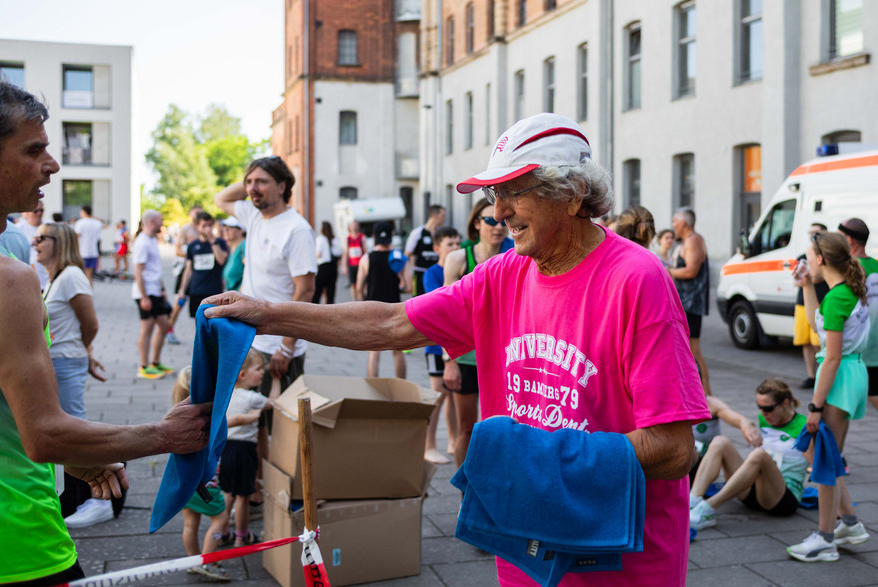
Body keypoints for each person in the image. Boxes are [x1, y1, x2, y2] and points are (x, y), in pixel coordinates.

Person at [204, 112, 709, 586]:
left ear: (574, 195)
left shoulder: (637, 279)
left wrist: (528, 456)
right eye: (495, 193)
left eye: (516, 191)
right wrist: (266, 314)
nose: (498, 211)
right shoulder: (503, 274)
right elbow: (393, 321)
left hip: (620, 563)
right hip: (524, 546)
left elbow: (673, 449)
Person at [0, 77, 211, 586]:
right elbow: (45, 433)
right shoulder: (9, 280)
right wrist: (164, 433)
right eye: (34, 150)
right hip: (18, 542)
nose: (52, 164)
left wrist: (78, 451)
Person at [788, 231, 871, 562]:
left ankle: (825, 538)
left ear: (821, 259)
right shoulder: (847, 290)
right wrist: (807, 285)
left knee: (822, 458)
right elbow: (816, 325)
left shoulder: (838, 297)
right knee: (826, 455)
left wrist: (815, 406)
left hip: (839, 377)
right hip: (851, 374)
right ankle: (849, 523)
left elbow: (831, 356)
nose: (807, 261)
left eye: (810, 256)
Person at [214, 155, 317, 394]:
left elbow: (306, 290)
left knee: (280, 423)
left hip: (278, 345)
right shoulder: (253, 215)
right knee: (252, 419)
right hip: (248, 338)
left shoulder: (297, 229)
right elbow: (221, 198)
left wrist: (287, 347)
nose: (252, 188)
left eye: (261, 182)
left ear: (282, 187)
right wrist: (255, 175)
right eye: (248, 182)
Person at [34, 222, 113, 526]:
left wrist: (83, 351)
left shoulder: (71, 276)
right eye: (36, 237)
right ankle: (79, 498)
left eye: (42, 238)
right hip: (60, 360)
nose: (36, 242)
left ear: (60, 242)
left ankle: (99, 500)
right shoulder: (53, 278)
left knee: (76, 428)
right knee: (67, 428)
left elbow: (90, 323)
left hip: (66, 360)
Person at [689, 378, 808, 531]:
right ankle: (692, 501)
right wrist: (747, 425)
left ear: (785, 403)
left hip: (782, 498)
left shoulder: (804, 426)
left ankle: (707, 509)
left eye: (768, 408)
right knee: (720, 442)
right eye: (760, 407)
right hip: (755, 491)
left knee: (759, 455)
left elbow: (825, 465)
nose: (763, 413)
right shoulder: (764, 418)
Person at [442, 197, 508, 468]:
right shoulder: (459, 259)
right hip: (467, 359)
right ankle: (465, 499)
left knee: (501, 432)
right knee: (466, 431)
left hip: (503, 359)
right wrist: (450, 362)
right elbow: (446, 315)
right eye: (490, 220)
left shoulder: (516, 256)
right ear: (476, 224)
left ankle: (493, 494)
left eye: (503, 220)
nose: (498, 226)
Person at [171, 367, 232, 582]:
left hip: (186, 482)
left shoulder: (176, 420)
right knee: (221, 519)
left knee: (190, 523)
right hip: (206, 484)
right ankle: (209, 562)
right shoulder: (207, 421)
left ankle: (193, 560)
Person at [219, 348, 277, 548]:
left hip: (226, 450)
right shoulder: (252, 398)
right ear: (243, 375)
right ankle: (241, 537)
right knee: (243, 496)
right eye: (259, 369)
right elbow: (274, 403)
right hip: (245, 452)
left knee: (227, 493)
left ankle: (221, 532)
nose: (263, 372)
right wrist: (276, 380)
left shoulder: (226, 395)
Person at [422, 226, 461, 465]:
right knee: (438, 396)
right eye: (450, 244)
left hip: (456, 343)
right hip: (436, 345)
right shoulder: (432, 273)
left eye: (458, 243)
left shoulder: (462, 269)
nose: (455, 248)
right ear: (437, 248)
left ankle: (453, 440)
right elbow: (439, 304)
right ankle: (428, 445)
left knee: (453, 394)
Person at [357, 221, 409, 378]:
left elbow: (359, 287)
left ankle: (373, 388)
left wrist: (363, 303)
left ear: (374, 237)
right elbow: (407, 287)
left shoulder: (367, 258)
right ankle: (402, 386)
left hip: (373, 309)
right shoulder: (399, 258)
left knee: (374, 353)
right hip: (395, 309)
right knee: (398, 352)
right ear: (392, 236)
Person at [669, 206, 712, 396]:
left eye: (675, 221)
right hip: (685, 302)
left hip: (691, 304)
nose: (673, 226)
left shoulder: (694, 241)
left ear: (684, 223)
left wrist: (667, 271)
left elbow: (691, 271)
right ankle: (697, 391)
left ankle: (706, 393)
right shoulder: (687, 240)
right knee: (688, 349)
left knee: (693, 350)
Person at [838, 218, 878, 412]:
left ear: (850, 240)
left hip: (865, 343)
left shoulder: (851, 268)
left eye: (840, 237)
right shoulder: (876, 264)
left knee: (872, 391)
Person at [132, 209, 174, 379]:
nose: (162, 224)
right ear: (151, 222)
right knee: (147, 329)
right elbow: (138, 271)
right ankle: (144, 366)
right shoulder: (142, 242)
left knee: (164, 326)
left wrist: (162, 289)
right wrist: (144, 297)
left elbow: (155, 269)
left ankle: (155, 362)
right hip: (146, 292)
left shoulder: (151, 240)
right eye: (160, 221)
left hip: (155, 291)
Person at [794, 223, 830, 389]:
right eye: (811, 233)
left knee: (818, 342)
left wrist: (808, 278)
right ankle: (811, 376)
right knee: (805, 342)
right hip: (802, 303)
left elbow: (818, 277)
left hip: (820, 302)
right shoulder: (802, 256)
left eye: (816, 233)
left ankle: (823, 374)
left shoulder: (828, 257)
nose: (812, 236)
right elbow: (796, 280)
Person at [176, 210, 228, 318]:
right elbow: (188, 269)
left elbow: (221, 260)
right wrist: (182, 290)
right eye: (204, 226)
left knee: (215, 325)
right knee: (199, 324)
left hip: (215, 292)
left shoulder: (220, 242)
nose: (207, 229)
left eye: (210, 225)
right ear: (197, 227)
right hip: (196, 291)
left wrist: (212, 241)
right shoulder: (192, 246)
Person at [166, 204, 204, 344]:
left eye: (200, 212)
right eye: (196, 213)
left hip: (201, 272)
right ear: (190, 214)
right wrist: (194, 255)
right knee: (179, 301)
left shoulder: (204, 228)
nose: (198, 215)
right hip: (186, 270)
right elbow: (177, 250)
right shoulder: (185, 229)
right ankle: (169, 329)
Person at [405, 204, 445, 296]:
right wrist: (408, 277)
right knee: (419, 301)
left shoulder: (441, 233)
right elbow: (407, 254)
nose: (444, 218)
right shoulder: (417, 233)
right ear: (435, 216)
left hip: (438, 273)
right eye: (443, 216)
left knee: (437, 299)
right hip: (420, 273)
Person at [15, 201, 49, 288]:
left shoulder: (49, 227)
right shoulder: (18, 229)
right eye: (36, 211)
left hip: (46, 274)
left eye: (42, 210)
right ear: (28, 212)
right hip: (28, 274)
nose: (39, 213)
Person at [313, 221, 341, 304]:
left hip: (323, 266)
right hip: (333, 267)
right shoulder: (334, 239)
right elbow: (339, 253)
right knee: (330, 292)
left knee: (318, 291)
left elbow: (318, 254)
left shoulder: (320, 239)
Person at [74, 205, 103, 283]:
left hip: (81, 252)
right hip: (93, 252)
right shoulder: (97, 223)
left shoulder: (80, 223)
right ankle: (89, 293)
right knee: (89, 276)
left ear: (83, 212)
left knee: (80, 276)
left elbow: (76, 237)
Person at [341, 220, 366, 301]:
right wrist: (344, 266)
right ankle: (354, 300)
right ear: (349, 228)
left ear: (358, 227)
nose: (354, 227)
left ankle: (363, 299)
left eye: (355, 225)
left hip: (360, 264)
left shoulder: (362, 237)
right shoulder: (348, 238)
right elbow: (346, 253)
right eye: (352, 226)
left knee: (362, 283)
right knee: (353, 284)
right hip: (351, 264)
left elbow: (365, 251)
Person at [221, 216, 246, 291]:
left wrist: (241, 291)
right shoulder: (231, 248)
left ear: (240, 230)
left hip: (241, 296)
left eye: (229, 229)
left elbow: (249, 270)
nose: (225, 231)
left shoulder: (244, 245)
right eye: (224, 229)